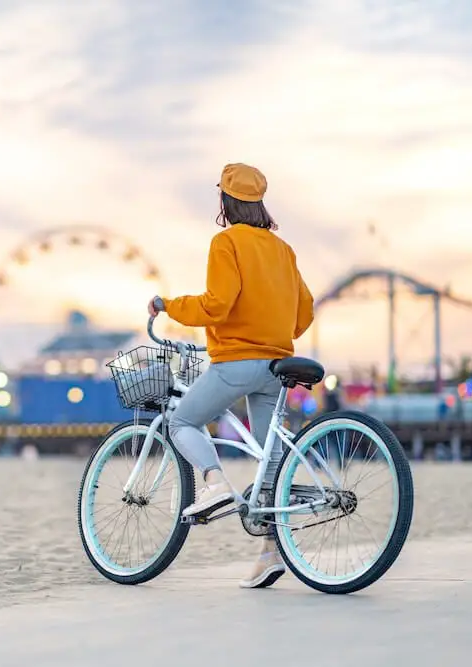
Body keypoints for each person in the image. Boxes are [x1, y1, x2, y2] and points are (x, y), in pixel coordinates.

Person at [149, 162, 314, 589]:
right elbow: (305, 312)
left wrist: (169, 306)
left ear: (224, 200)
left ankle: (214, 482)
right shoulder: (283, 250)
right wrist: (277, 331)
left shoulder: (226, 242)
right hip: (277, 367)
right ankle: (272, 553)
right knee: (272, 466)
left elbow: (216, 305)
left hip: (237, 363)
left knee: (182, 421)